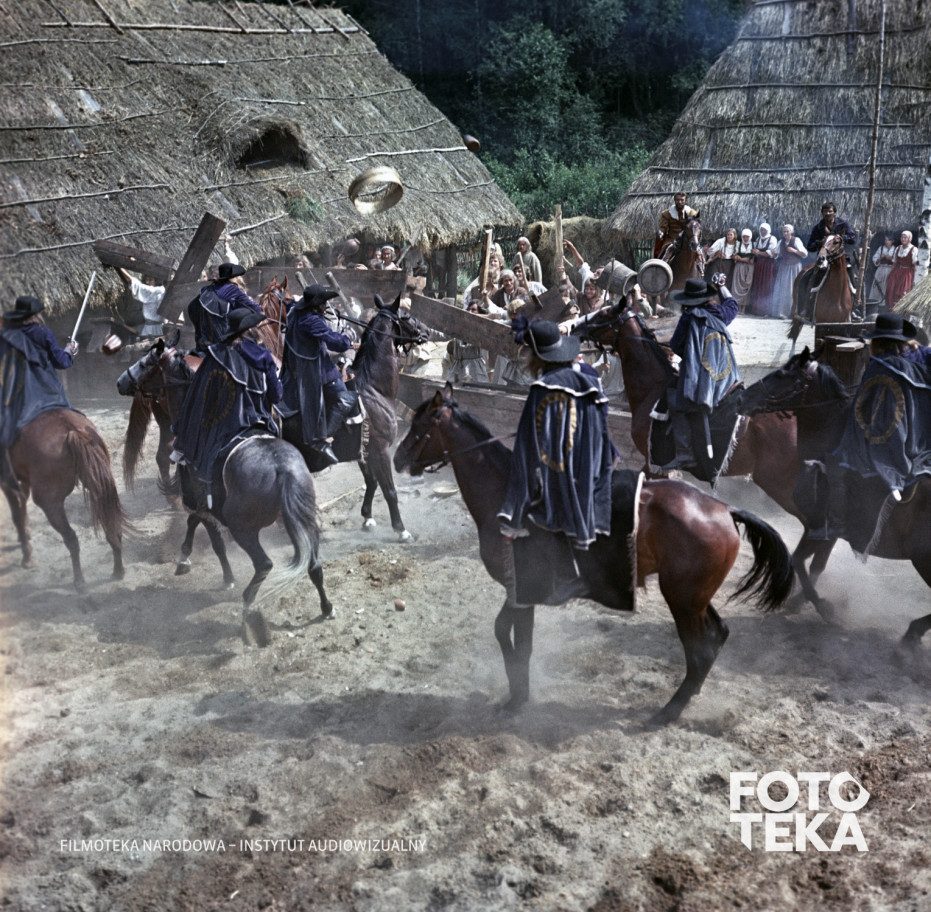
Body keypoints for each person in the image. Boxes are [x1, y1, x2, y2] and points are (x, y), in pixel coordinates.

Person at [497, 320, 614, 551]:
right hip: (596, 463)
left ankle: (516, 522)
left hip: (561, 469)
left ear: (537, 358)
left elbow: (527, 445)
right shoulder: (590, 382)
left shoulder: (542, 388)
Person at [169, 308, 281, 509]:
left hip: (226, 422)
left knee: (194, 447)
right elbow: (277, 395)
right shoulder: (264, 355)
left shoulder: (216, 355)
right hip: (258, 419)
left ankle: (202, 497)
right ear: (251, 330)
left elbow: (200, 393)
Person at [277, 285, 356, 467]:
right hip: (314, 370)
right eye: (324, 303)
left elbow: (291, 304)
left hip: (301, 366)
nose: (326, 305)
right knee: (345, 398)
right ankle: (322, 439)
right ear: (316, 305)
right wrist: (348, 335)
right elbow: (337, 343)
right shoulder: (310, 321)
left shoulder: (295, 312)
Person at [0, 296, 77, 470]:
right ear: (35, 315)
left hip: (18, 391)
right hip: (47, 390)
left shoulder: (6, 335)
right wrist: (68, 351)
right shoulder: (43, 333)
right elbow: (61, 362)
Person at [188, 262, 262, 353]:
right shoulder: (232, 289)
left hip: (203, 344)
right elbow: (255, 309)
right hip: (224, 344)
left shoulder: (207, 289)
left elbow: (191, 308)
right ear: (234, 278)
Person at [772, 224, 808, 318]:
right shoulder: (781, 242)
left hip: (794, 267)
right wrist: (775, 254)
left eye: (787, 231)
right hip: (784, 267)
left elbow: (804, 254)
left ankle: (793, 312)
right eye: (784, 231)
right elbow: (776, 254)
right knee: (782, 289)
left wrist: (794, 251)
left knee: (792, 289)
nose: (785, 233)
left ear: (791, 232)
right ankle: (781, 312)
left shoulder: (796, 240)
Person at [655, 192, 698, 259]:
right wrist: (661, 232)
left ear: (685, 200)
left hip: (687, 240)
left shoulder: (692, 213)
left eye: (682, 200)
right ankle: (662, 264)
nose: (679, 202)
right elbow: (663, 227)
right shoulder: (667, 214)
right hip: (672, 240)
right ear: (674, 200)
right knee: (665, 252)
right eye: (677, 200)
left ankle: (701, 265)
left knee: (699, 253)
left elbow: (695, 227)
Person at [748, 223, 778, 317]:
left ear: (768, 230)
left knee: (767, 285)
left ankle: (766, 310)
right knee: (758, 284)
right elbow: (756, 252)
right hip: (759, 264)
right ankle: (757, 309)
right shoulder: (758, 239)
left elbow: (771, 254)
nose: (763, 232)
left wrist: (758, 252)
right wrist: (755, 254)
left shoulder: (772, 239)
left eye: (764, 230)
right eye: (761, 230)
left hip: (768, 265)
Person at [886, 230, 918, 311]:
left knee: (903, 291)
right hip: (896, 272)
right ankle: (892, 309)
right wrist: (890, 274)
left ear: (909, 239)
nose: (903, 239)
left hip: (907, 273)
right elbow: (894, 263)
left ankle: (901, 311)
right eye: (902, 237)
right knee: (892, 289)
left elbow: (915, 265)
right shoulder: (898, 248)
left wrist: (914, 279)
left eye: (905, 237)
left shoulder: (913, 249)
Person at [867, 235, 896, 312]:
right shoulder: (881, 248)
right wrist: (881, 258)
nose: (886, 242)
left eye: (888, 240)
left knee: (886, 288)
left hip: (890, 270)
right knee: (877, 287)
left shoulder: (895, 249)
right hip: (880, 270)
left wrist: (890, 258)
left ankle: (884, 307)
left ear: (892, 241)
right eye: (885, 240)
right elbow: (875, 260)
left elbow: (897, 261)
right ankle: (874, 305)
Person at [731, 229, 755, 313]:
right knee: (737, 285)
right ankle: (737, 307)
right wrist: (736, 257)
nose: (745, 238)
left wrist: (745, 259)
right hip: (739, 266)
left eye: (747, 237)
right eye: (744, 237)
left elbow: (753, 257)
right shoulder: (738, 244)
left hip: (749, 267)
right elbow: (733, 255)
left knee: (746, 285)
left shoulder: (754, 244)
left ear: (750, 237)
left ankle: (743, 308)